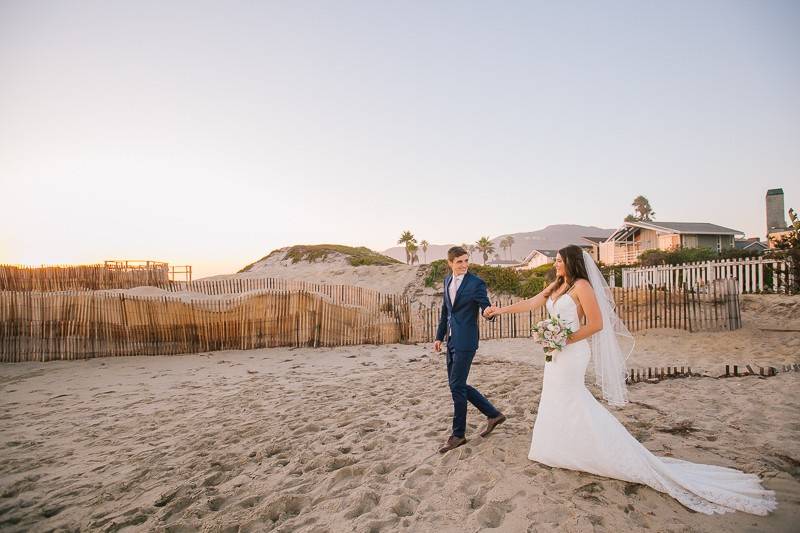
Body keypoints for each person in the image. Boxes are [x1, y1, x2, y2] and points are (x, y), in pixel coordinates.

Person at [484, 245, 776, 516]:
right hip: (556, 352)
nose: (556, 264)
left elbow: (597, 324)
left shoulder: (582, 286)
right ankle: (558, 448)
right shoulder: (558, 285)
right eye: (556, 260)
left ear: (571, 262)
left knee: (573, 398)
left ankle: (602, 448)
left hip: (572, 353)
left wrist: (564, 338)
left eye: (560, 260)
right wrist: (500, 310)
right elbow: (534, 302)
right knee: (555, 398)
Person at [434, 246, 506, 453]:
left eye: (466, 261)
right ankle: (493, 414)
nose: (464, 265)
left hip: (466, 340)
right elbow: (445, 312)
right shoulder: (447, 281)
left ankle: (458, 435)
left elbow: (486, 306)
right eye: (459, 262)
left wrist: (488, 313)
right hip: (451, 340)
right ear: (450, 263)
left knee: (456, 385)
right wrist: (439, 337)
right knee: (457, 384)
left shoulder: (476, 283)